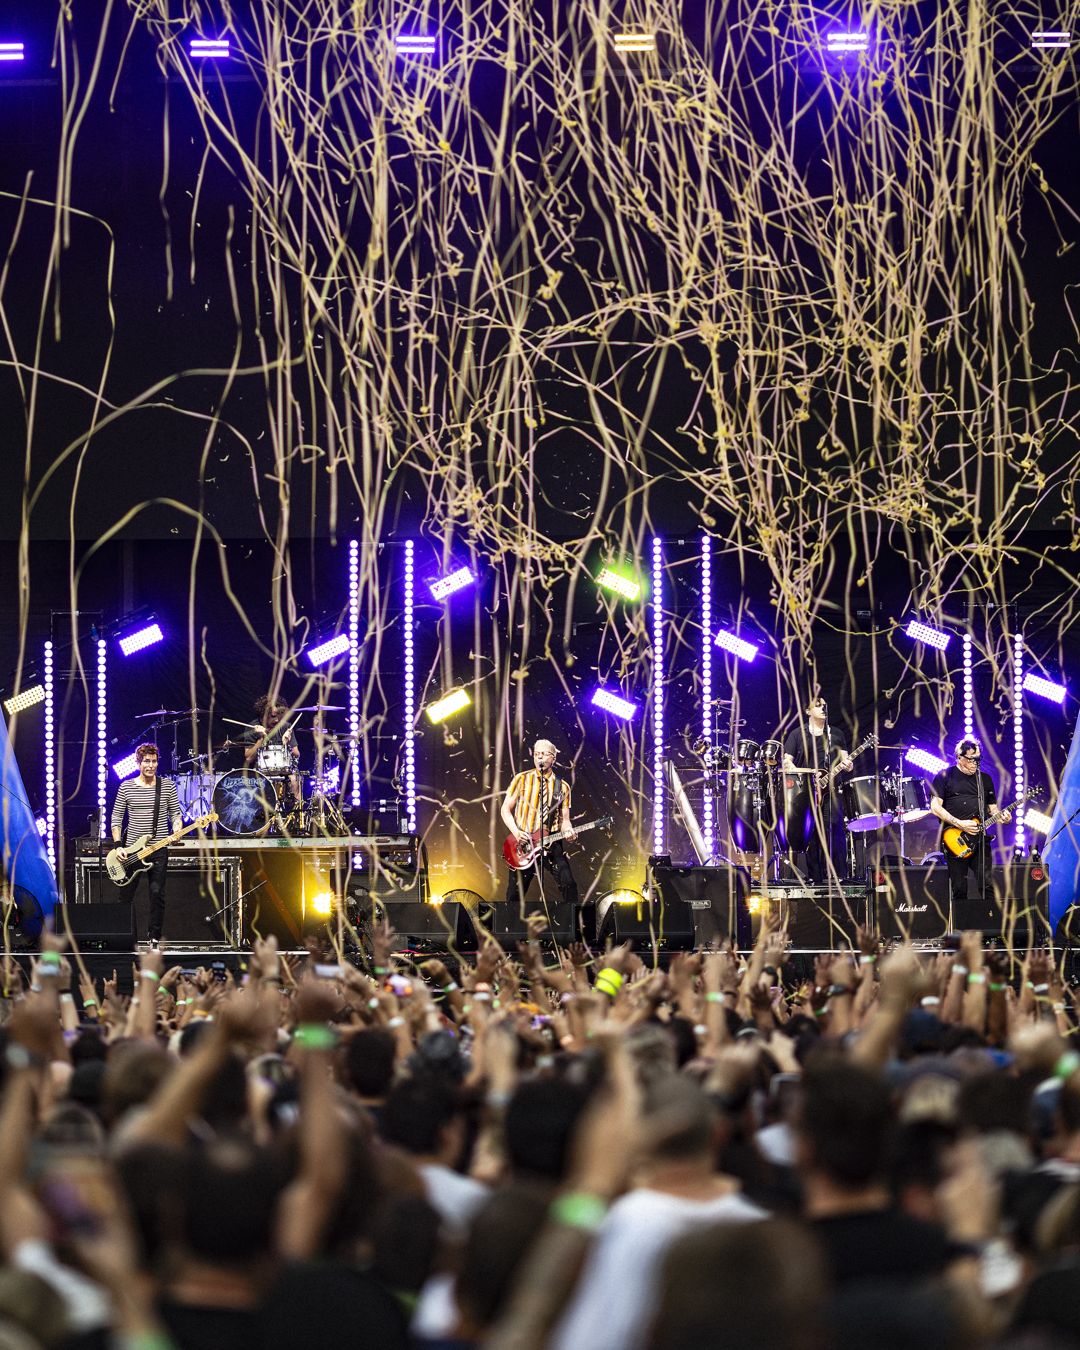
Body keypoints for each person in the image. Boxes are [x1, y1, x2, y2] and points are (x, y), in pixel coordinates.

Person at [499, 739, 579, 934]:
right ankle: (511, 933)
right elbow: (505, 810)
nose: (539, 757)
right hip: (524, 843)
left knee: (568, 884)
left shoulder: (563, 787)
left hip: (551, 841)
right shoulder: (521, 779)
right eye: (536, 754)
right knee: (515, 892)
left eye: (544, 754)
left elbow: (565, 819)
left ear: (553, 757)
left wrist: (568, 830)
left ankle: (572, 930)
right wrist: (517, 833)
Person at [110, 744, 183, 946]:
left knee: (157, 893)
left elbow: (176, 814)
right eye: (146, 761)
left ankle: (154, 938)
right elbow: (116, 818)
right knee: (125, 895)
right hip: (132, 850)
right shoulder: (126, 787)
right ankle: (123, 937)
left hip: (159, 848)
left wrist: (177, 828)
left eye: (154, 761)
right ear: (138, 763)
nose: (151, 765)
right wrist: (118, 846)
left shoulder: (167, 786)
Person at [929, 739, 1010, 904]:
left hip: (980, 840)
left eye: (978, 759)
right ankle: (960, 927)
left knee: (987, 884)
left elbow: (992, 809)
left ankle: (991, 923)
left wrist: (1003, 816)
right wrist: (959, 823)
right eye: (971, 759)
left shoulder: (985, 779)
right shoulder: (945, 776)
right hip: (955, 839)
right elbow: (935, 807)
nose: (975, 763)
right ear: (959, 757)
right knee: (959, 887)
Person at [782, 696, 853, 882]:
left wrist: (848, 765)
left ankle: (840, 876)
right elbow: (786, 762)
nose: (823, 708)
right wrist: (803, 772)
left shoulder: (835, 734)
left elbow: (846, 760)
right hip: (807, 792)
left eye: (825, 704)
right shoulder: (798, 734)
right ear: (807, 711)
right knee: (811, 833)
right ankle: (816, 877)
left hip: (832, 790)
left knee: (835, 829)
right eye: (818, 705)